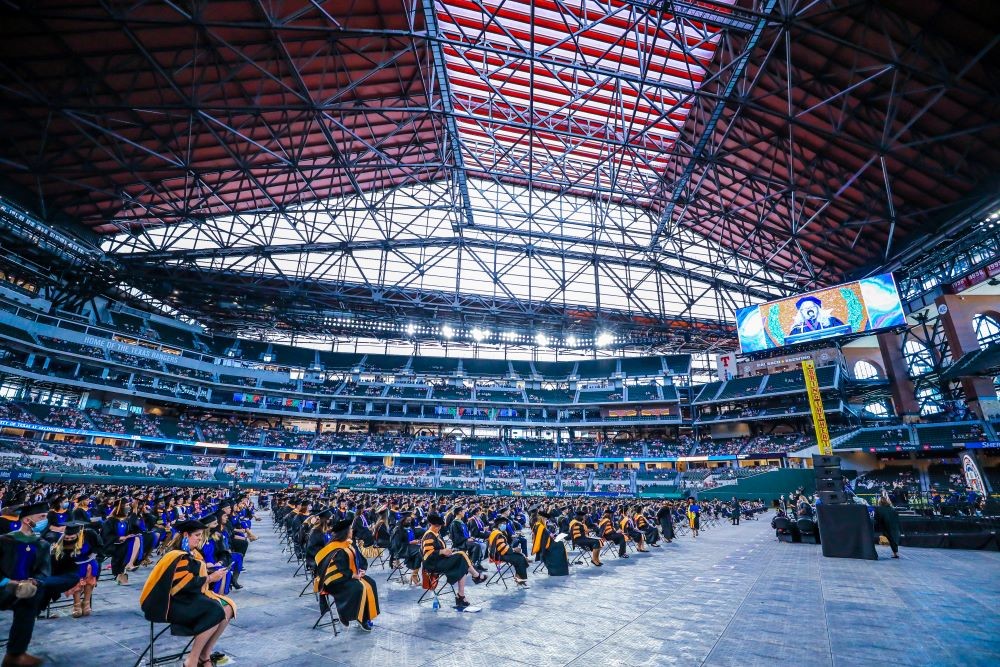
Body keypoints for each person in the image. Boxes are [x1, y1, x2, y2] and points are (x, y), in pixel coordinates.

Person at [140, 519, 235, 667]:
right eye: (197, 535)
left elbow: (193, 576)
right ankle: (192, 659)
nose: (199, 538)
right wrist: (210, 578)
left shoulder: (192, 553)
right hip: (170, 602)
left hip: (187, 598)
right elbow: (182, 585)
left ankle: (205, 655)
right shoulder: (177, 555)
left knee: (228, 608)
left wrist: (211, 572)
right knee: (215, 610)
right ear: (186, 535)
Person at [0, 502, 49, 666]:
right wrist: (9, 583)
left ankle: (15, 655)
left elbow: (44, 570)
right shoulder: (5, 540)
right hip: (3, 587)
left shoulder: (42, 544)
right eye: (42, 516)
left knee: (29, 605)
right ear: (27, 520)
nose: (45, 519)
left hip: (25, 589)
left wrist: (34, 581)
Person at [314, 517, 379, 631]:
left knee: (371, 583)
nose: (352, 531)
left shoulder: (348, 543)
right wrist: (354, 575)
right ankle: (345, 613)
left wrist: (360, 570)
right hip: (335, 580)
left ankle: (364, 617)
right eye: (350, 529)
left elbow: (357, 560)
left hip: (347, 576)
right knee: (359, 588)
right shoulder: (336, 546)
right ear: (346, 532)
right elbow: (341, 567)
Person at [421, 513, 486, 609]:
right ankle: (476, 576)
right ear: (432, 525)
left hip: (439, 561)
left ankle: (461, 595)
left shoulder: (435, 534)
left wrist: (447, 551)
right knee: (461, 555)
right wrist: (442, 551)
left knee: (462, 562)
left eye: (439, 526)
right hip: (433, 564)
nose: (438, 528)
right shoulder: (429, 536)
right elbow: (427, 555)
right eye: (437, 526)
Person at [49, 520, 102, 618]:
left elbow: (98, 547)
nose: (69, 539)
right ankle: (76, 605)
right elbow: (58, 558)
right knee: (76, 581)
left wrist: (93, 554)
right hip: (73, 565)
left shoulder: (89, 534)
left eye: (72, 538)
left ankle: (86, 602)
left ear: (78, 534)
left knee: (90, 577)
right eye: (67, 537)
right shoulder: (61, 541)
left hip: (88, 562)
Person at [487, 516, 528, 586]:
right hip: (499, 555)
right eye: (504, 523)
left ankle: (519, 578)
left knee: (520, 556)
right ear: (499, 525)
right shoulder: (498, 534)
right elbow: (502, 548)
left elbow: (504, 545)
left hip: (499, 553)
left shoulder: (496, 531)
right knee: (520, 558)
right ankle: (520, 580)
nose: (505, 525)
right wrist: (514, 549)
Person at [874, 495, 901, 559]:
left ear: (879, 502)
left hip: (884, 526)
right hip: (894, 526)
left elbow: (876, 518)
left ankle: (873, 553)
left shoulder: (878, 509)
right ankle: (895, 553)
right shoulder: (892, 509)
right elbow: (897, 518)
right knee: (893, 539)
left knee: (890, 538)